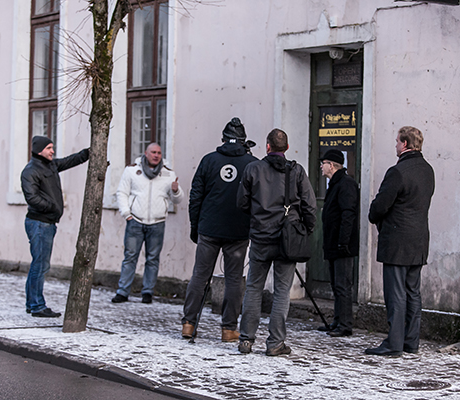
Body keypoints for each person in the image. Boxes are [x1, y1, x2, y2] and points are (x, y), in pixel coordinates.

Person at [237, 128, 316, 356]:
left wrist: (257, 215)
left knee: (253, 288)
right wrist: (306, 230)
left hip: (261, 236)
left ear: (267, 146)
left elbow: (241, 203)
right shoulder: (296, 171)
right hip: (287, 238)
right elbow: (310, 206)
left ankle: (246, 340)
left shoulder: (253, 169)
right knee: (282, 291)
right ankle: (275, 343)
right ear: (287, 148)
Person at [182, 117, 258, 342]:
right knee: (234, 279)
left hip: (209, 227)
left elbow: (195, 196)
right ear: (244, 141)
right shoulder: (251, 164)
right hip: (238, 230)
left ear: (223, 139)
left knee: (200, 276)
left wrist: (195, 226)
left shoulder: (209, 160)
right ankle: (228, 328)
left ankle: (189, 323)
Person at [365, 126, 435, 356]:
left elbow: (381, 205)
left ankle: (394, 343)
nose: (395, 145)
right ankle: (410, 342)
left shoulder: (398, 172)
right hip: (419, 239)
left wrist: (374, 215)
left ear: (405, 144)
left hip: (397, 240)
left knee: (395, 293)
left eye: (397, 141)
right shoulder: (428, 170)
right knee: (413, 292)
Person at [20, 136, 89, 318]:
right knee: (40, 265)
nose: (52, 151)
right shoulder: (30, 171)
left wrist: (87, 153)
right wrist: (52, 206)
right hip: (39, 223)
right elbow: (32, 198)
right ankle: (37, 306)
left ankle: (31, 303)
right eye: (49, 148)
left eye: (52, 147)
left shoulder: (49, 165)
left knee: (38, 264)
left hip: (47, 223)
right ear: (39, 150)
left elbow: (69, 161)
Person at [112, 143, 184, 304]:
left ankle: (147, 292)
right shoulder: (132, 171)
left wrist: (175, 190)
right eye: (153, 152)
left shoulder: (168, 173)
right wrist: (126, 214)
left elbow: (178, 200)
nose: (156, 155)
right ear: (146, 153)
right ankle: (123, 292)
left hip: (157, 223)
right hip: (135, 221)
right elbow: (122, 192)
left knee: (153, 259)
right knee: (130, 257)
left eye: (159, 152)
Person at [319, 149, 359, 337]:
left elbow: (348, 214)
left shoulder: (346, 184)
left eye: (324, 163)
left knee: (343, 284)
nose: (321, 166)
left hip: (342, 244)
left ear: (332, 165)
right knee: (336, 284)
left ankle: (345, 324)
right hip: (334, 242)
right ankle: (338, 320)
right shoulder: (335, 184)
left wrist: (343, 242)